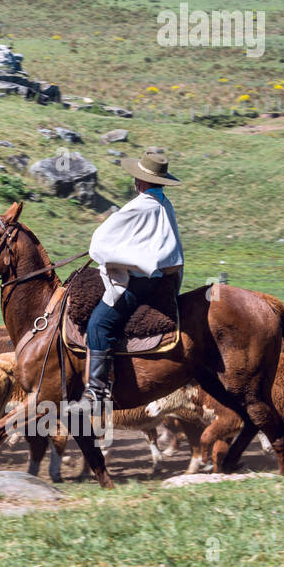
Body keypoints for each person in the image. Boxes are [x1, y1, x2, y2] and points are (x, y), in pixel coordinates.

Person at [76, 148, 184, 416]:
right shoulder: (163, 204)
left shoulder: (139, 206)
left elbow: (99, 244)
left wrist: (111, 256)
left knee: (99, 323)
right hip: (160, 282)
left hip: (138, 284)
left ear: (142, 181)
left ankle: (96, 391)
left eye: (136, 176)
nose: (134, 181)